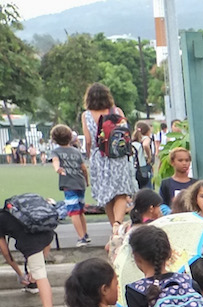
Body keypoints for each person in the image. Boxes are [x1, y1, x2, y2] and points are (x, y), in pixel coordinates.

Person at [81, 83, 137, 232]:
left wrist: (89, 154)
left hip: (99, 157)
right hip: (118, 157)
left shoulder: (86, 115)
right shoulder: (117, 111)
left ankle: (113, 226)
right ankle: (118, 224)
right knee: (121, 192)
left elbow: (88, 140)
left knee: (106, 195)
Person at [0, 205, 59, 307]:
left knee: (40, 273)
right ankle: (33, 282)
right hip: (47, 233)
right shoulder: (11, 212)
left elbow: (5, 252)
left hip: (31, 240)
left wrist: (20, 275)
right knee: (37, 266)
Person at [50, 124, 91, 247]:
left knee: (73, 212)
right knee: (80, 210)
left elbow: (55, 162)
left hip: (69, 184)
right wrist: (86, 181)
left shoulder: (56, 151)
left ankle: (81, 238)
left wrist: (58, 169)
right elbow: (84, 168)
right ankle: (85, 234)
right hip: (80, 183)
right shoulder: (76, 151)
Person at [106, 189, 164, 263]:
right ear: (151, 208)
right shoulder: (155, 227)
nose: (160, 210)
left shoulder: (126, 227)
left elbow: (108, 247)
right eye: (158, 206)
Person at [132, 121, 155, 190]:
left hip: (136, 168)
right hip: (145, 168)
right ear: (147, 131)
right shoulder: (146, 138)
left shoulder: (135, 141)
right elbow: (145, 145)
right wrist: (149, 156)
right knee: (148, 190)